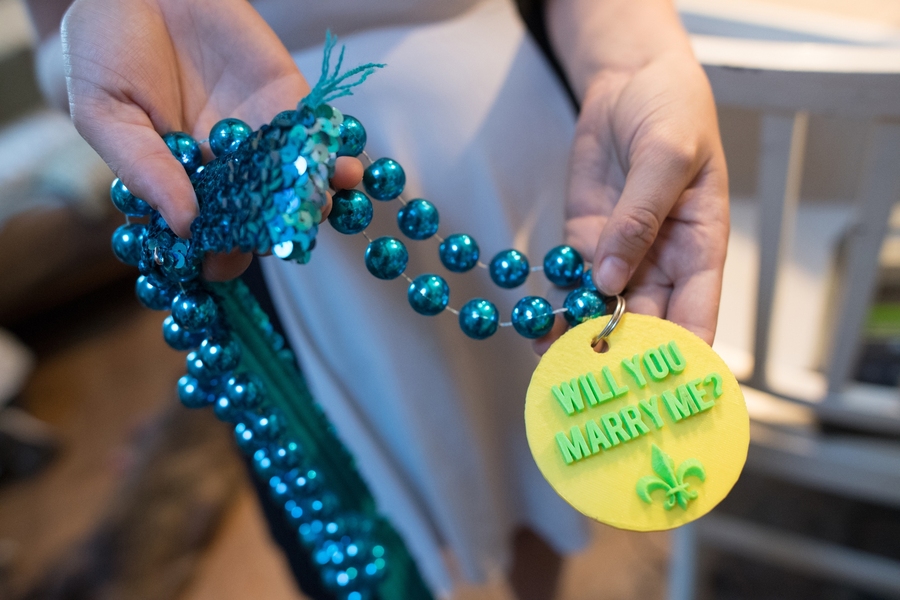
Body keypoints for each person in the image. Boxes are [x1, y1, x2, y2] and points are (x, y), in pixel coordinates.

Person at [33, 0, 729, 596]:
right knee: (358, 531)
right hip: (268, 197)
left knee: (529, 453)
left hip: (523, 155)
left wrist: (637, 56)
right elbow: (55, 32)